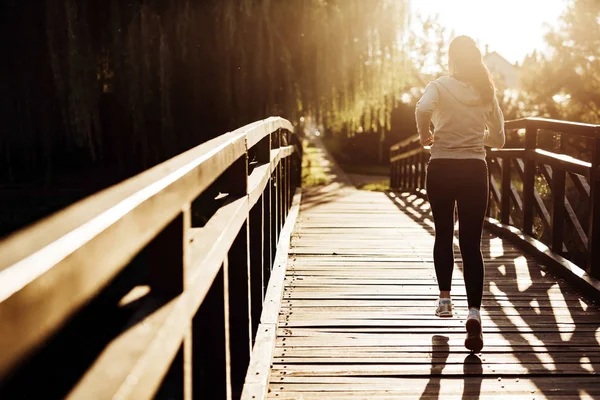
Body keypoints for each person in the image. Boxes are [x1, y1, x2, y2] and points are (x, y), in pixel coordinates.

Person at [414, 35, 505, 352]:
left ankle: (444, 300)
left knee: (442, 233)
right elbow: (501, 139)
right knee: (471, 243)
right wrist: (482, 138)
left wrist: (425, 133)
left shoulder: (438, 85)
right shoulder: (486, 92)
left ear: (452, 59)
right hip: (473, 171)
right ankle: (475, 313)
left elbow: (422, 109)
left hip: (440, 167)